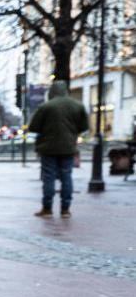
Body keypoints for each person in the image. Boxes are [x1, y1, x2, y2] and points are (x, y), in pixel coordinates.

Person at [28, 81, 89, 218]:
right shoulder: (77, 106)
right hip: (68, 147)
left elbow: (33, 127)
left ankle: (47, 208)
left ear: (52, 91)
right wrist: (72, 132)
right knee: (67, 176)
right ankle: (65, 209)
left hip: (48, 148)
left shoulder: (46, 107)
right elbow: (84, 127)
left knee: (48, 178)